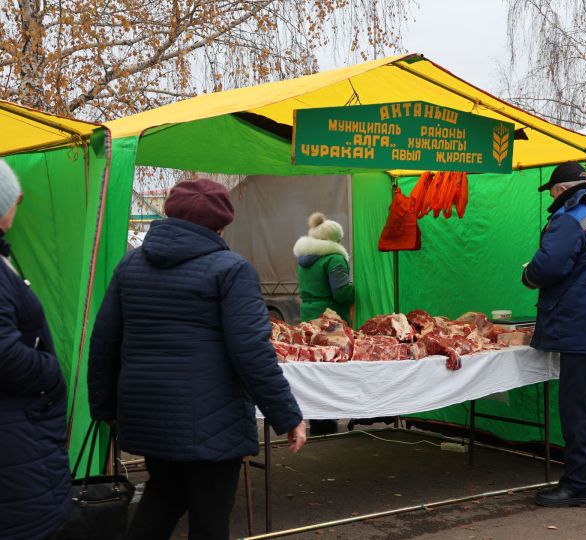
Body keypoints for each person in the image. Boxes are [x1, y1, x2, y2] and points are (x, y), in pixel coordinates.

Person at [88, 178, 306, 540]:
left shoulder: (130, 266)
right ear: (221, 225)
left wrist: (105, 407)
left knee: (163, 497)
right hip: (211, 421)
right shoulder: (232, 269)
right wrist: (288, 415)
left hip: (148, 413)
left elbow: (105, 341)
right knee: (208, 520)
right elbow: (251, 350)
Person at [521, 162, 586, 508]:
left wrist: (528, 276)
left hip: (582, 325)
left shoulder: (572, 216)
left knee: (577, 407)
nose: (552, 196)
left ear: (563, 188)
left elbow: (550, 265)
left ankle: (580, 485)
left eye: (553, 190)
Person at [0, 159, 72, 539]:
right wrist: (49, 370)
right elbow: (3, 354)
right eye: (13, 197)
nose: (19, 200)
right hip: (15, 443)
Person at [293, 212, 354, 436]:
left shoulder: (304, 260)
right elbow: (341, 294)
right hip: (330, 319)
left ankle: (317, 419)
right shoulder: (334, 259)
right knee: (331, 368)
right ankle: (327, 421)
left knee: (314, 366)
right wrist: (358, 289)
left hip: (309, 314)